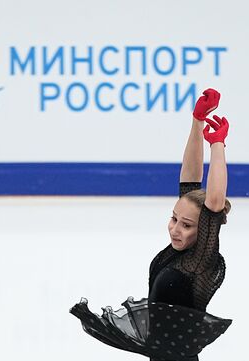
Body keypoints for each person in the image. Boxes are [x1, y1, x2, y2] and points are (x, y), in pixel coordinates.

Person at [70, 88, 232, 361]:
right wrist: (197, 121)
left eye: (187, 225)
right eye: (174, 218)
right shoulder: (179, 252)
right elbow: (189, 179)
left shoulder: (200, 260)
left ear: (203, 230)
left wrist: (218, 145)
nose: (175, 228)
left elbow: (214, 201)